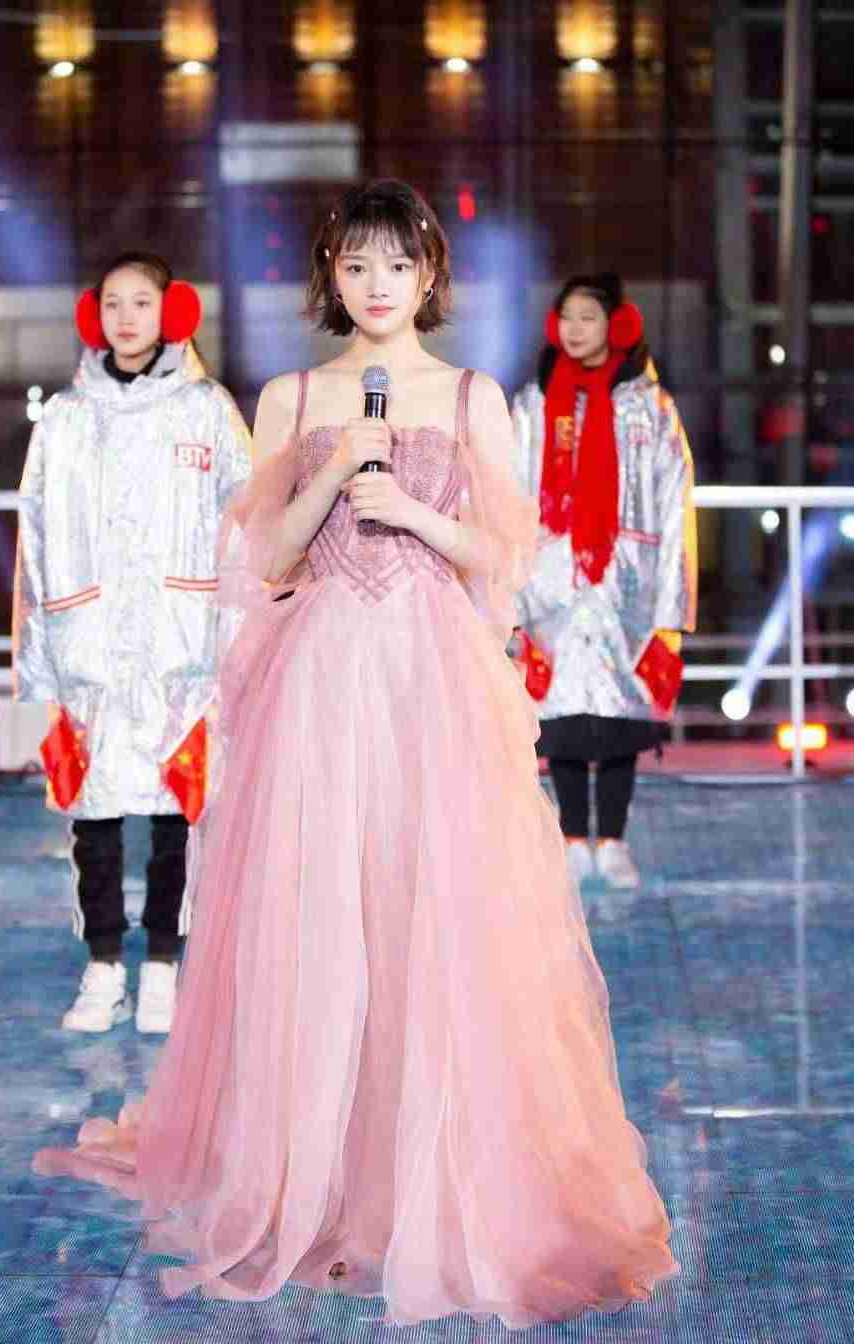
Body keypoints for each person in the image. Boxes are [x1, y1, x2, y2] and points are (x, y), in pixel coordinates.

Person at [35, 184, 677, 1326]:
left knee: (433, 918)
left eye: (398, 266)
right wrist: (335, 473)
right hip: (320, 684)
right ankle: (317, 1175)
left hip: (433, 683)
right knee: (321, 915)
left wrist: (413, 512)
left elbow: (506, 560)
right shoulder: (291, 396)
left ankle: (432, 1171)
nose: (378, 287)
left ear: (430, 276)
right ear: (330, 277)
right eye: (356, 266)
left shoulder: (473, 397)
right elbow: (267, 562)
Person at [13, 251, 251, 1034]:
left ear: (171, 310)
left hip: (183, 648)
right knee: (95, 813)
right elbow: (35, 536)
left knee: (178, 810)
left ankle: (163, 966)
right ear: (93, 315)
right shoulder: (66, 419)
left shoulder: (207, 410)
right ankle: (103, 965)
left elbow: (244, 524)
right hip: (88, 649)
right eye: (112, 302)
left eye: (141, 302)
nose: (125, 318)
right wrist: (40, 659)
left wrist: (235, 641)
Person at [512, 274, 697, 890]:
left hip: (627, 585)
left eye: (588, 317)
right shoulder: (534, 404)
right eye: (567, 317)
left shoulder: (650, 407)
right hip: (551, 583)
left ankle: (614, 840)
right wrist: (511, 590)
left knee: (620, 716)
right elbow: (508, 492)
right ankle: (571, 840)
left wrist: (671, 604)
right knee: (561, 716)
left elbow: (674, 502)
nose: (575, 329)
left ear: (617, 325)